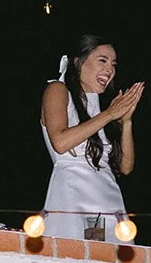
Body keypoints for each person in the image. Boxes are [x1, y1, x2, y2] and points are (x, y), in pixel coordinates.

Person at [40, 35, 144, 241]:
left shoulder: (100, 109)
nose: (110, 70)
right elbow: (60, 143)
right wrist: (109, 115)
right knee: (75, 259)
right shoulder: (57, 89)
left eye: (113, 64)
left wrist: (126, 121)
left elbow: (125, 167)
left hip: (106, 197)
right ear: (78, 62)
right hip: (73, 194)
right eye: (102, 61)